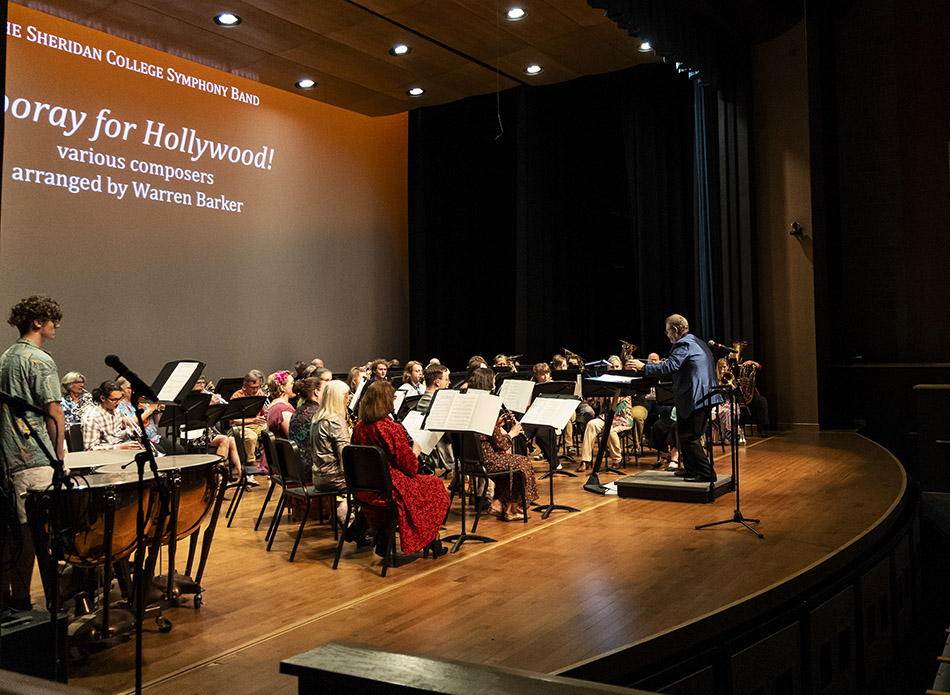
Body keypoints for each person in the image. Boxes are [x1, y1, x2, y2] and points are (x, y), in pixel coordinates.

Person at [0, 295, 65, 611]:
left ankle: (18, 600)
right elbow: (54, 412)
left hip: (9, 460)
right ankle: (50, 604)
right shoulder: (40, 360)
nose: (56, 326)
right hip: (34, 460)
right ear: (37, 322)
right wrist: (60, 457)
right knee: (38, 538)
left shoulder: (5, 358)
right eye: (53, 320)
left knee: (17, 534)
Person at [352, 380, 449, 558]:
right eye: (392, 398)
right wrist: (415, 451)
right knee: (434, 484)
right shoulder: (390, 428)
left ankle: (383, 533)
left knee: (427, 485)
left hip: (364, 488)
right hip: (389, 487)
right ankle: (431, 540)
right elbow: (410, 468)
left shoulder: (359, 427)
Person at [633, 314, 720, 482]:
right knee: (682, 434)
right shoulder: (697, 342)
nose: (667, 336)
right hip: (703, 395)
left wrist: (645, 367)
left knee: (690, 437)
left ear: (675, 330)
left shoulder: (683, 344)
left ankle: (706, 473)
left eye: (667, 332)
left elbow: (672, 366)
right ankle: (690, 469)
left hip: (695, 397)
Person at [467, 368, 539, 521]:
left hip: (468, 461)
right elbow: (500, 444)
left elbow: (483, 433)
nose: (494, 385)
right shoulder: (487, 405)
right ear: (487, 383)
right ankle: (512, 508)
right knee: (523, 463)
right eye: (493, 381)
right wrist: (512, 433)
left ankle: (498, 503)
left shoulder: (469, 403)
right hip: (486, 461)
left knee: (511, 463)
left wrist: (497, 424)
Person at [309, 380, 351, 523]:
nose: (348, 400)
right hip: (334, 479)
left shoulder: (317, 419)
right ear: (339, 398)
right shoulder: (335, 421)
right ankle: (348, 513)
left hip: (318, 476)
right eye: (346, 396)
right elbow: (345, 456)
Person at [82, 381, 142, 451]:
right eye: (114, 400)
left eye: (120, 398)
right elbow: (90, 448)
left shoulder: (116, 410)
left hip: (117, 451)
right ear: (103, 398)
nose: (118, 403)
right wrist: (119, 447)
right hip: (104, 456)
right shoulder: (91, 418)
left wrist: (130, 432)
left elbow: (115, 436)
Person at [230, 370, 267, 477]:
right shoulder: (237, 396)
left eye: (257, 387)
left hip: (257, 424)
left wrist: (267, 415)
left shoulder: (260, 393)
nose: (256, 390)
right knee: (251, 437)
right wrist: (252, 420)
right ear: (245, 386)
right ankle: (251, 464)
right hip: (241, 426)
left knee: (271, 430)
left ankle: (268, 462)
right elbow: (233, 421)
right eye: (253, 388)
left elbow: (263, 413)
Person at [288, 376, 324, 484]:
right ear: (317, 392)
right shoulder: (318, 414)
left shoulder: (297, 411)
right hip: (309, 470)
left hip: (294, 467)